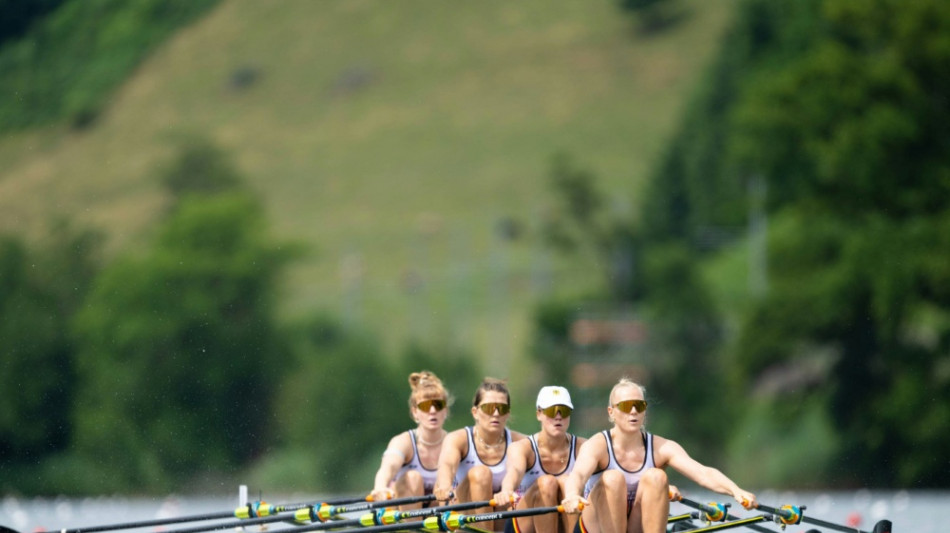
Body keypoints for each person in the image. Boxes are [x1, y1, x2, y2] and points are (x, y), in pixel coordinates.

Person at [560, 378, 757, 533]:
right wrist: (571, 496)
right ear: (611, 412)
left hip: (636, 524)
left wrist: (735, 490)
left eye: (639, 405)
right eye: (627, 406)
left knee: (657, 477)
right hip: (596, 527)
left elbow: (703, 473)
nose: (634, 411)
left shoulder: (661, 447)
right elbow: (577, 475)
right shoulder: (598, 445)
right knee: (613, 478)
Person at [433, 377, 526, 531]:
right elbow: (447, 465)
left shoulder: (521, 442)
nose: (496, 414)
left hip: (501, 513)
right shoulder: (457, 439)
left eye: (501, 409)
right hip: (462, 511)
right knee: (481, 473)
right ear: (475, 412)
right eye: (489, 408)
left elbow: (520, 472)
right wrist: (444, 486)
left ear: (508, 414)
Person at [494, 385, 587, 533]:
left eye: (564, 411)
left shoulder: (584, 447)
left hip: (566, 523)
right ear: (539, 414)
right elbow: (515, 471)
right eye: (551, 411)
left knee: (566, 482)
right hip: (525, 525)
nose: (558, 417)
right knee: (547, 483)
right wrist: (506, 490)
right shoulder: (522, 448)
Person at [370, 371, 452, 506]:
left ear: (445, 410)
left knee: (443, 483)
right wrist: (380, 487)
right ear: (415, 412)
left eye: (438, 405)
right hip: (404, 508)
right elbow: (388, 467)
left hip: (438, 509)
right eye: (425, 406)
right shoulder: (403, 441)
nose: (432, 411)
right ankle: (411, 526)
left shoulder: (454, 442)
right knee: (413, 478)